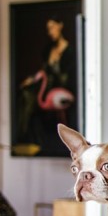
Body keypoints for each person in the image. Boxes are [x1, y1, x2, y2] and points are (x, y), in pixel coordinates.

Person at [17, 15, 76, 153]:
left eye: (52, 27)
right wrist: (31, 80)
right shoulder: (48, 50)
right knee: (26, 95)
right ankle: (28, 137)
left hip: (62, 89)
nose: (50, 31)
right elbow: (43, 72)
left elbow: (69, 75)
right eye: (48, 29)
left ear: (60, 25)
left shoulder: (70, 51)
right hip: (48, 89)